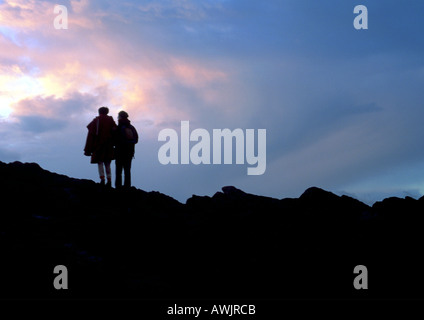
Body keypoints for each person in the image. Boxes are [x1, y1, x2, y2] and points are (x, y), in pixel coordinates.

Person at [84, 106, 117, 187]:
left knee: (100, 163)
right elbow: (116, 133)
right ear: (107, 112)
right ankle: (109, 180)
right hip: (109, 146)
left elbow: (90, 135)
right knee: (108, 163)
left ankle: (102, 179)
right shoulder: (111, 121)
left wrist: (88, 149)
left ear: (99, 112)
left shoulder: (96, 121)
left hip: (98, 146)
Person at [114, 110, 138, 188]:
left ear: (120, 117)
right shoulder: (132, 127)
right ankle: (127, 186)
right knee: (127, 170)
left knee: (118, 171)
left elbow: (115, 139)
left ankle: (118, 186)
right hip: (129, 152)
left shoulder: (119, 127)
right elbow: (136, 139)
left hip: (119, 152)